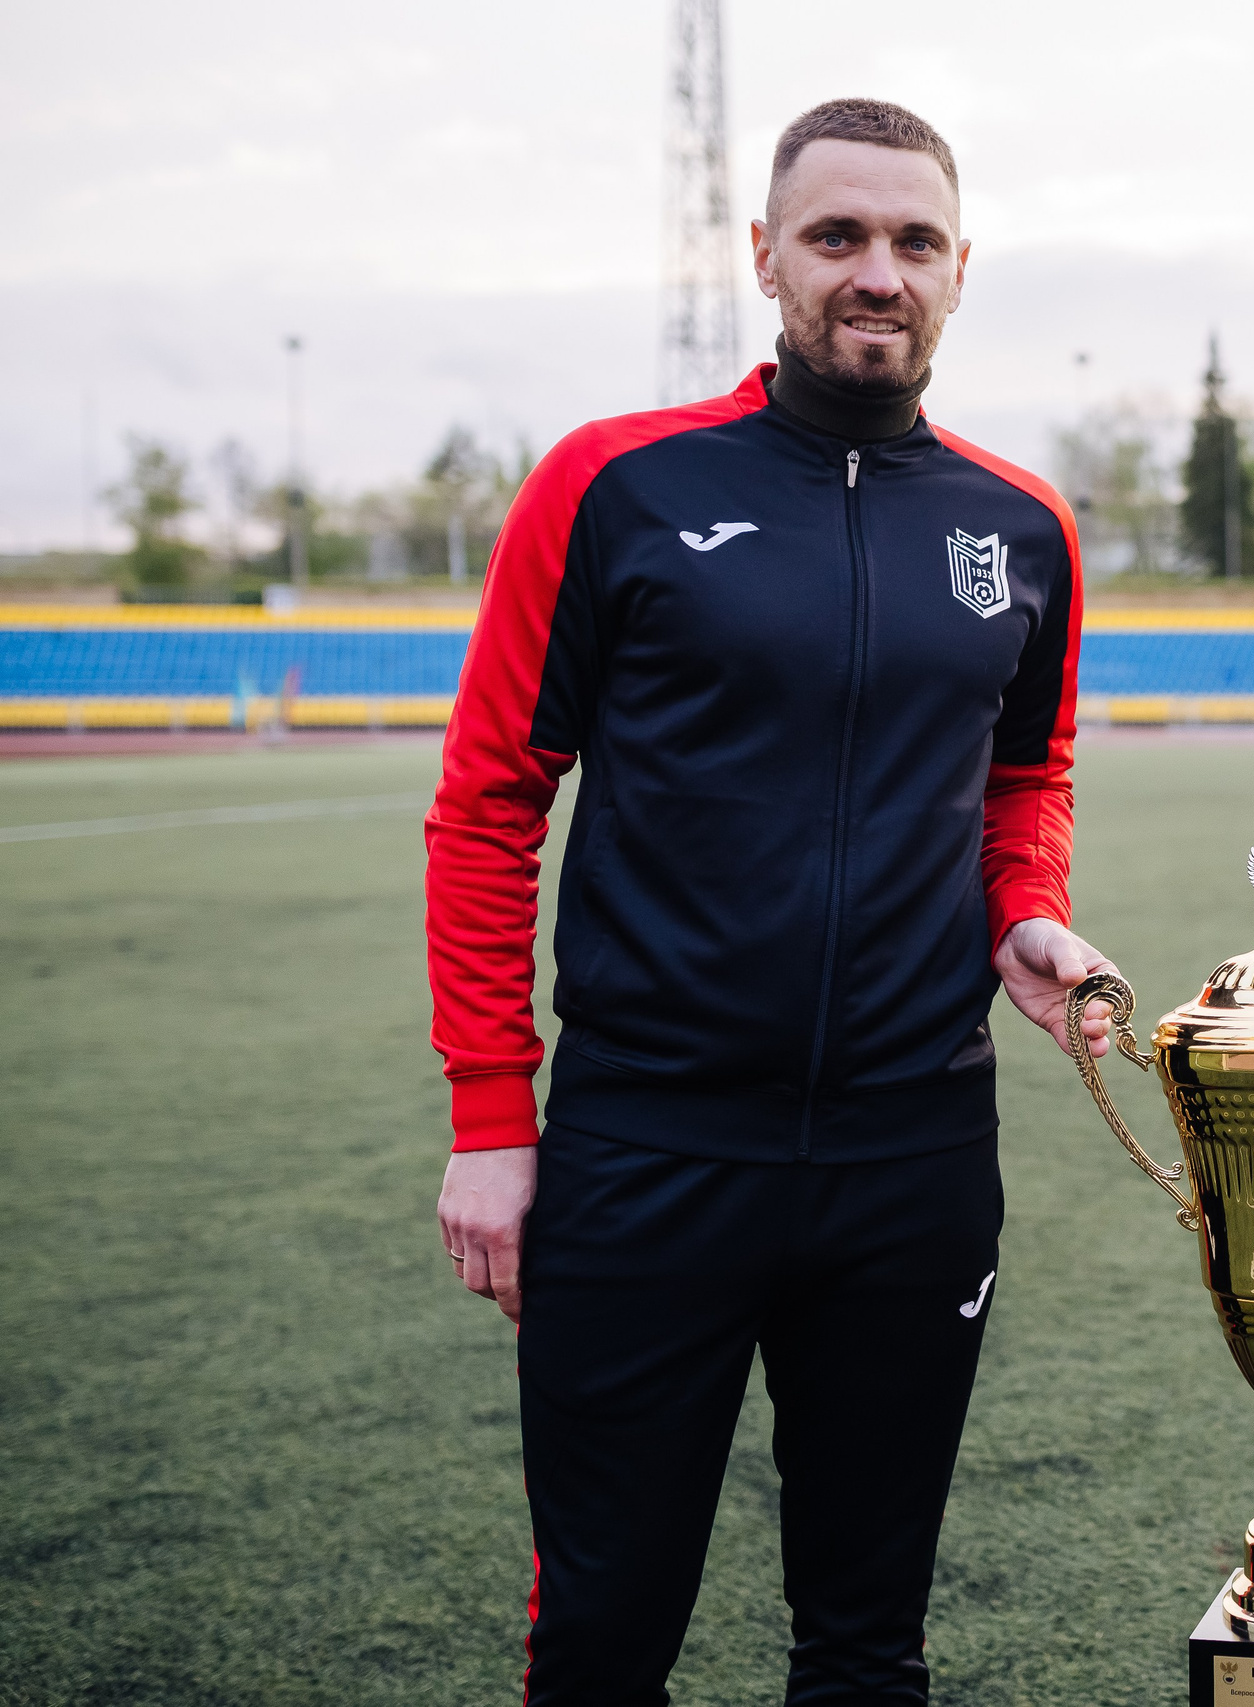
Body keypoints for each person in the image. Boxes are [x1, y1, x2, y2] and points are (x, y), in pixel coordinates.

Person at [426, 97, 1114, 1706]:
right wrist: (490, 1115)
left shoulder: (1023, 526)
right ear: (765, 259)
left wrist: (1028, 905)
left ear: (959, 273)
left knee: (868, 1646)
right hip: (649, 1148)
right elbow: (487, 806)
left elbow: (1025, 772)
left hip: (913, 1154)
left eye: (915, 241)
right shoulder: (614, 486)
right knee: (601, 1635)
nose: (878, 272)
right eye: (839, 237)